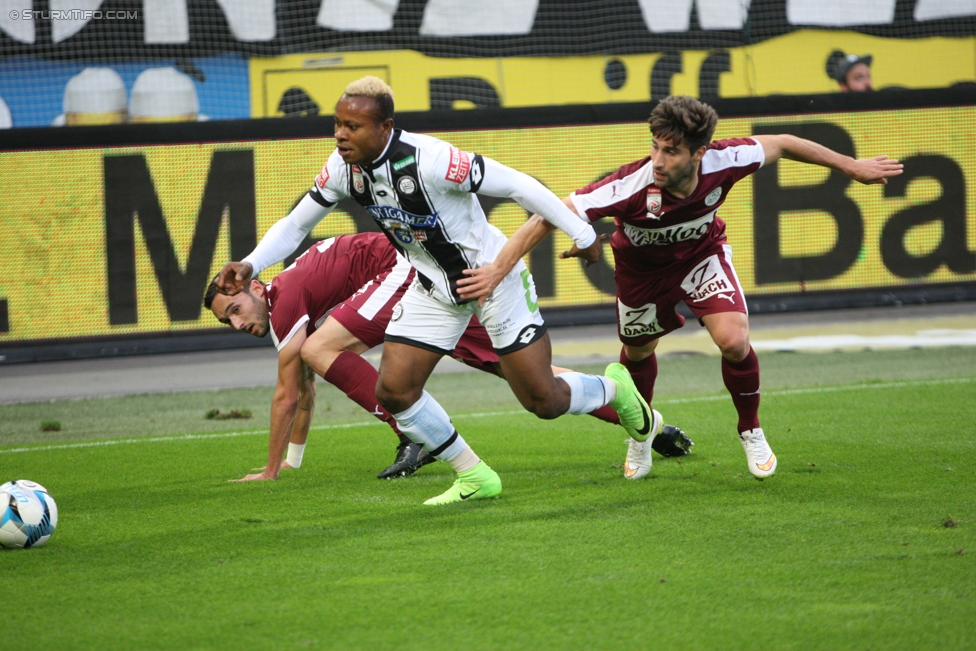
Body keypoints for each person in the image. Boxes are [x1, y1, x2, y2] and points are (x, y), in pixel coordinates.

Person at [216, 76, 659, 505]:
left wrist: (582, 236)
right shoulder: (341, 169)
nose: (340, 134)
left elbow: (519, 185)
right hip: (431, 286)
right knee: (393, 391)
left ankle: (615, 390)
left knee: (542, 400)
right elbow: (296, 224)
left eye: (352, 126)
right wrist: (252, 262)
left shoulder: (432, 159)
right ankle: (474, 475)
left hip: (493, 282)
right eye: (337, 124)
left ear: (385, 127)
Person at [459, 95, 903, 480]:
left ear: (699, 153)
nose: (658, 160)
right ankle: (641, 433)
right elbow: (549, 212)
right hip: (641, 275)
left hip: (700, 257)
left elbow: (784, 143)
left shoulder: (726, 160)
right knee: (637, 354)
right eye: (654, 146)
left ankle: (750, 429)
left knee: (733, 341)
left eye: (670, 151)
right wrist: (500, 269)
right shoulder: (630, 185)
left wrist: (852, 166)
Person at [205, 232, 692, 483]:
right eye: (227, 320)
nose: (237, 322)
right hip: (428, 285)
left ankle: (413, 436)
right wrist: (292, 460)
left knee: (317, 349)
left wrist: (270, 471)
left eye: (235, 309)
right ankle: (644, 419)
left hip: (406, 275)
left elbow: (288, 394)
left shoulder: (284, 298)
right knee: (527, 377)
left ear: (253, 286)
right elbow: (305, 392)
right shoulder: (285, 300)